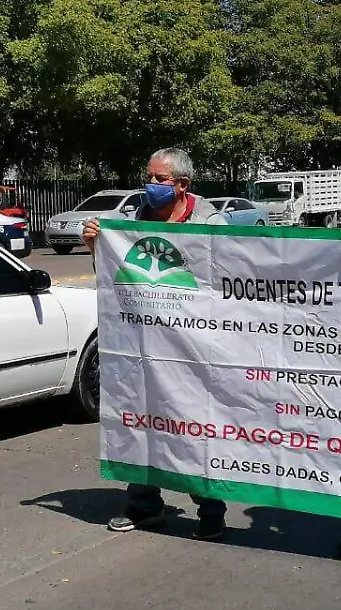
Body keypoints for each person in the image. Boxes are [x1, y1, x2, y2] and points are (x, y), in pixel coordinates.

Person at [81, 147, 230, 541]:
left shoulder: (210, 222)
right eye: (149, 176)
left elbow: (228, 278)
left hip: (195, 346)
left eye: (160, 179)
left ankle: (210, 507)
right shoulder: (131, 223)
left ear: (182, 185)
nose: (150, 185)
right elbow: (116, 278)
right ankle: (144, 503)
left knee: (196, 425)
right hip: (143, 345)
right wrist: (98, 245)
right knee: (139, 419)